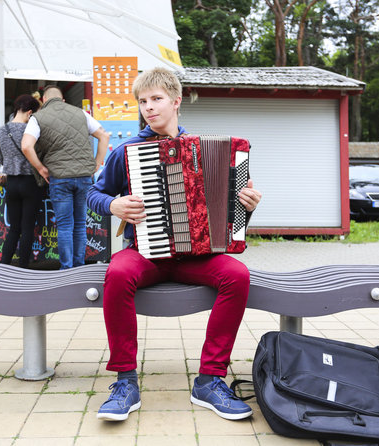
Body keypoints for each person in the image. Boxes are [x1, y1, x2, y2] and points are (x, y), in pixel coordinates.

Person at [87, 67, 262, 422]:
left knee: (237, 275)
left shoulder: (211, 150)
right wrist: (113, 205)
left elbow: (231, 221)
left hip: (195, 257)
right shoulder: (127, 152)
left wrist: (247, 206)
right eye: (143, 101)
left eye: (156, 99)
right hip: (147, 253)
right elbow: (93, 194)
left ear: (176, 101)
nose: (148, 107)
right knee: (117, 274)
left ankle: (210, 380)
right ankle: (124, 382)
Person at [21, 85, 110, 269]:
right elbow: (103, 136)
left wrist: (41, 168)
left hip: (59, 177)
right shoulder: (80, 113)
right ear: (63, 100)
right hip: (84, 176)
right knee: (80, 224)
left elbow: (26, 146)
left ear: (43, 101)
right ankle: (78, 267)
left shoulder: (38, 118)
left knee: (64, 226)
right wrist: (96, 164)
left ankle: (66, 269)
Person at [0, 94, 42, 268]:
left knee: (14, 228)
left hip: (12, 183)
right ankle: (23, 267)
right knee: (28, 228)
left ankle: (4, 265)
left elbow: (0, 158)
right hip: (31, 183)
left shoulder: (1, 130)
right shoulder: (32, 131)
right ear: (30, 113)